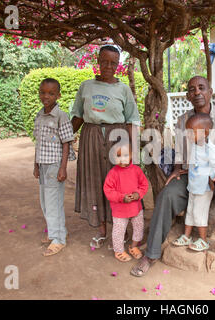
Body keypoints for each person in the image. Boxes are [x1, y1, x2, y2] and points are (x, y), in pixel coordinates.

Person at [130, 75, 215, 276]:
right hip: (192, 173)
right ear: (188, 96)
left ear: (210, 92)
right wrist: (176, 169)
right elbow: (182, 152)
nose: (197, 92)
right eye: (192, 90)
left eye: (202, 88)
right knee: (167, 194)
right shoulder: (183, 120)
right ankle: (151, 253)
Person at [70, 45, 140, 249]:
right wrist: (64, 137)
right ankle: (101, 230)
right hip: (91, 136)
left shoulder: (123, 89)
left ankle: (122, 229)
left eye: (113, 62)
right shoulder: (86, 86)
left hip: (117, 137)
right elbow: (78, 116)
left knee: (119, 183)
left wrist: (132, 150)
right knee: (95, 182)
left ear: (118, 65)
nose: (108, 66)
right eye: (105, 61)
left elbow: (132, 120)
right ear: (98, 61)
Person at [33, 78, 76, 256]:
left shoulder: (61, 116)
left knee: (53, 203)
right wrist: (36, 165)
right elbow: (38, 143)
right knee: (45, 202)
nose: (46, 96)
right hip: (43, 164)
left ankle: (59, 239)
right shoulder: (39, 115)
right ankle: (55, 232)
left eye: (51, 93)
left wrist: (63, 168)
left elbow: (66, 143)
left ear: (58, 95)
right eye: (43, 92)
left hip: (55, 165)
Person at [172, 113, 215, 251]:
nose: (188, 134)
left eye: (192, 132)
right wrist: (188, 169)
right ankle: (186, 236)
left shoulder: (210, 149)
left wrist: (213, 179)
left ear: (205, 133)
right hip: (193, 186)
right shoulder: (194, 146)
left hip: (204, 189)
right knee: (189, 212)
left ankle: (203, 240)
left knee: (199, 214)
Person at [103, 142, 149, 262]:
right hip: (120, 210)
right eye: (118, 156)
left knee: (139, 227)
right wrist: (121, 197)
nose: (122, 159)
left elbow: (144, 185)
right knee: (119, 231)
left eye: (125, 155)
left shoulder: (137, 170)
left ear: (131, 155)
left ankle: (133, 246)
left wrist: (137, 194)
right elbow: (108, 190)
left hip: (136, 208)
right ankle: (118, 251)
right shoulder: (113, 173)